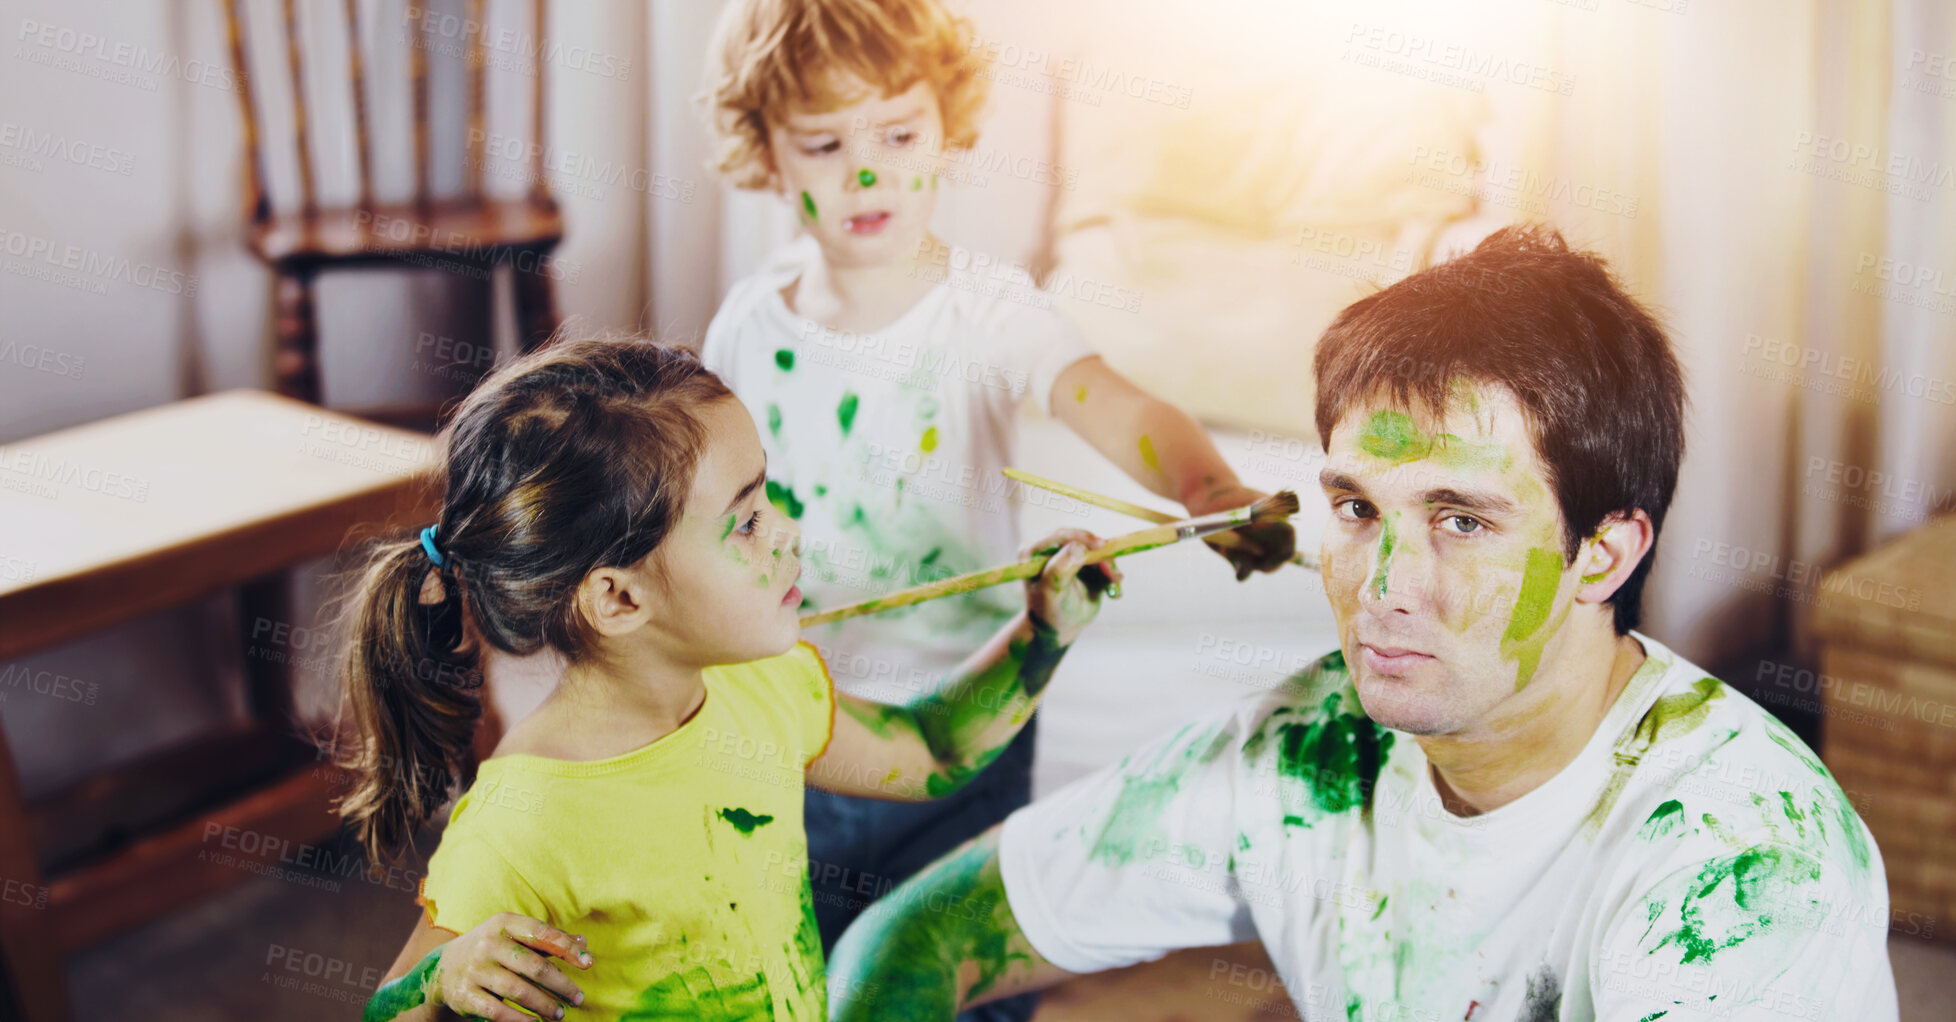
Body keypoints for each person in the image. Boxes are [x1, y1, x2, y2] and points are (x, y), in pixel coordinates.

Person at [827, 226, 1900, 1021]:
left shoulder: (1741, 874)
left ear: (1604, 552)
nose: (1384, 582)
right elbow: (911, 935)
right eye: (1357, 508)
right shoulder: (1309, 748)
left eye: (1460, 519)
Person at [698, 3, 1295, 1018]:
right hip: (808, 722)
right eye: (826, 144)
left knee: (955, 969)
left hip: (974, 710)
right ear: (767, 153)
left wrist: (1205, 487)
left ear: (946, 126)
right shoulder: (746, 328)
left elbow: (1113, 403)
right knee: (802, 971)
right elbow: (704, 514)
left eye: (898, 134)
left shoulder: (988, 310)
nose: (869, 174)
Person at [340, 338, 1121, 1021]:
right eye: (746, 522)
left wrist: (1043, 633)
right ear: (617, 597)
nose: (788, 531)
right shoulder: (526, 818)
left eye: (767, 495)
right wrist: (441, 982)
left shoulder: (761, 687)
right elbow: (393, 1001)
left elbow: (934, 749)